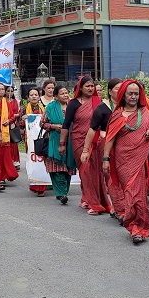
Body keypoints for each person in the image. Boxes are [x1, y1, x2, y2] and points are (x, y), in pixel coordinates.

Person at [102, 80, 149, 243]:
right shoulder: (117, 115)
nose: (133, 97)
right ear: (123, 95)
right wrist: (105, 159)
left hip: (141, 159)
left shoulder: (145, 112)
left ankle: (139, 227)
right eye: (130, 93)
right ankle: (134, 225)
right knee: (131, 193)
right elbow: (110, 139)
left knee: (139, 195)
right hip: (123, 161)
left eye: (136, 94)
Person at [61, 76, 111, 215]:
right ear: (80, 88)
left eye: (92, 86)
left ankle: (89, 198)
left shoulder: (99, 102)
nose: (90, 88)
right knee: (86, 170)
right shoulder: (73, 104)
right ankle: (94, 203)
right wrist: (62, 143)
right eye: (87, 86)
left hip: (97, 141)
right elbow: (66, 124)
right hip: (79, 140)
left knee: (96, 171)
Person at [83, 78, 123, 220]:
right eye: (117, 89)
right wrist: (85, 150)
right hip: (106, 145)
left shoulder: (128, 106)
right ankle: (120, 208)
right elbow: (92, 129)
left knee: (124, 177)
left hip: (125, 146)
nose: (121, 91)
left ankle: (122, 207)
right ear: (110, 91)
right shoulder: (102, 107)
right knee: (111, 177)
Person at [43, 85, 78, 203]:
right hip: (55, 141)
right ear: (56, 96)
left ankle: (64, 192)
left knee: (68, 168)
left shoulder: (72, 106)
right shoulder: (50, 107)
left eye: (66, 93)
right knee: (57, 169)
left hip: (71, 141)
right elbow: (42, 123)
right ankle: (61, 193)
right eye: (62, 93)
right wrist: (53, 126)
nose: (65, 95)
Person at [21, 88, 48, 196]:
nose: (34, 97)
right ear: (28, 98)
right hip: (30, 138)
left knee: (42, 160)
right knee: (33, 160)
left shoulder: (44, 109)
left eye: (36, 95)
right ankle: (34, 183)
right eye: (31, 95)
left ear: (39, 96)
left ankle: (42, 186)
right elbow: (21, 123)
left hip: (42, 138)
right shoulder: (24, 109)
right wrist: (25, 118)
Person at [0, 83, 20, 182]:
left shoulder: (7, 103)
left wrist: (9, 120)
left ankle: (3, 176)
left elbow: (12, 117)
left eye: (2, 89)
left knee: (4, 155)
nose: (1, 91)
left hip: (5, 131)